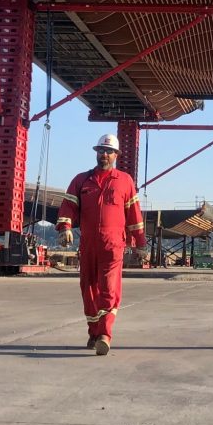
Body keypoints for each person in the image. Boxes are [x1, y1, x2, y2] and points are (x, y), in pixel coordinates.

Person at [56, 133, 146, 356]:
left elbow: (134, 215)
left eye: (108, 151)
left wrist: (141, 243)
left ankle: (105, 334)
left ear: (116, 155)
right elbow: (68, 206)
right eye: (100, 151)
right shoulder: (81, 181)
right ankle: (94, 331)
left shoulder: (125, 181)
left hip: (113, 245)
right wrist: (65, 228)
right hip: (88, 245)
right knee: (88, 289)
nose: (104, 155)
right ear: (96, 153)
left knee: (109, 288)